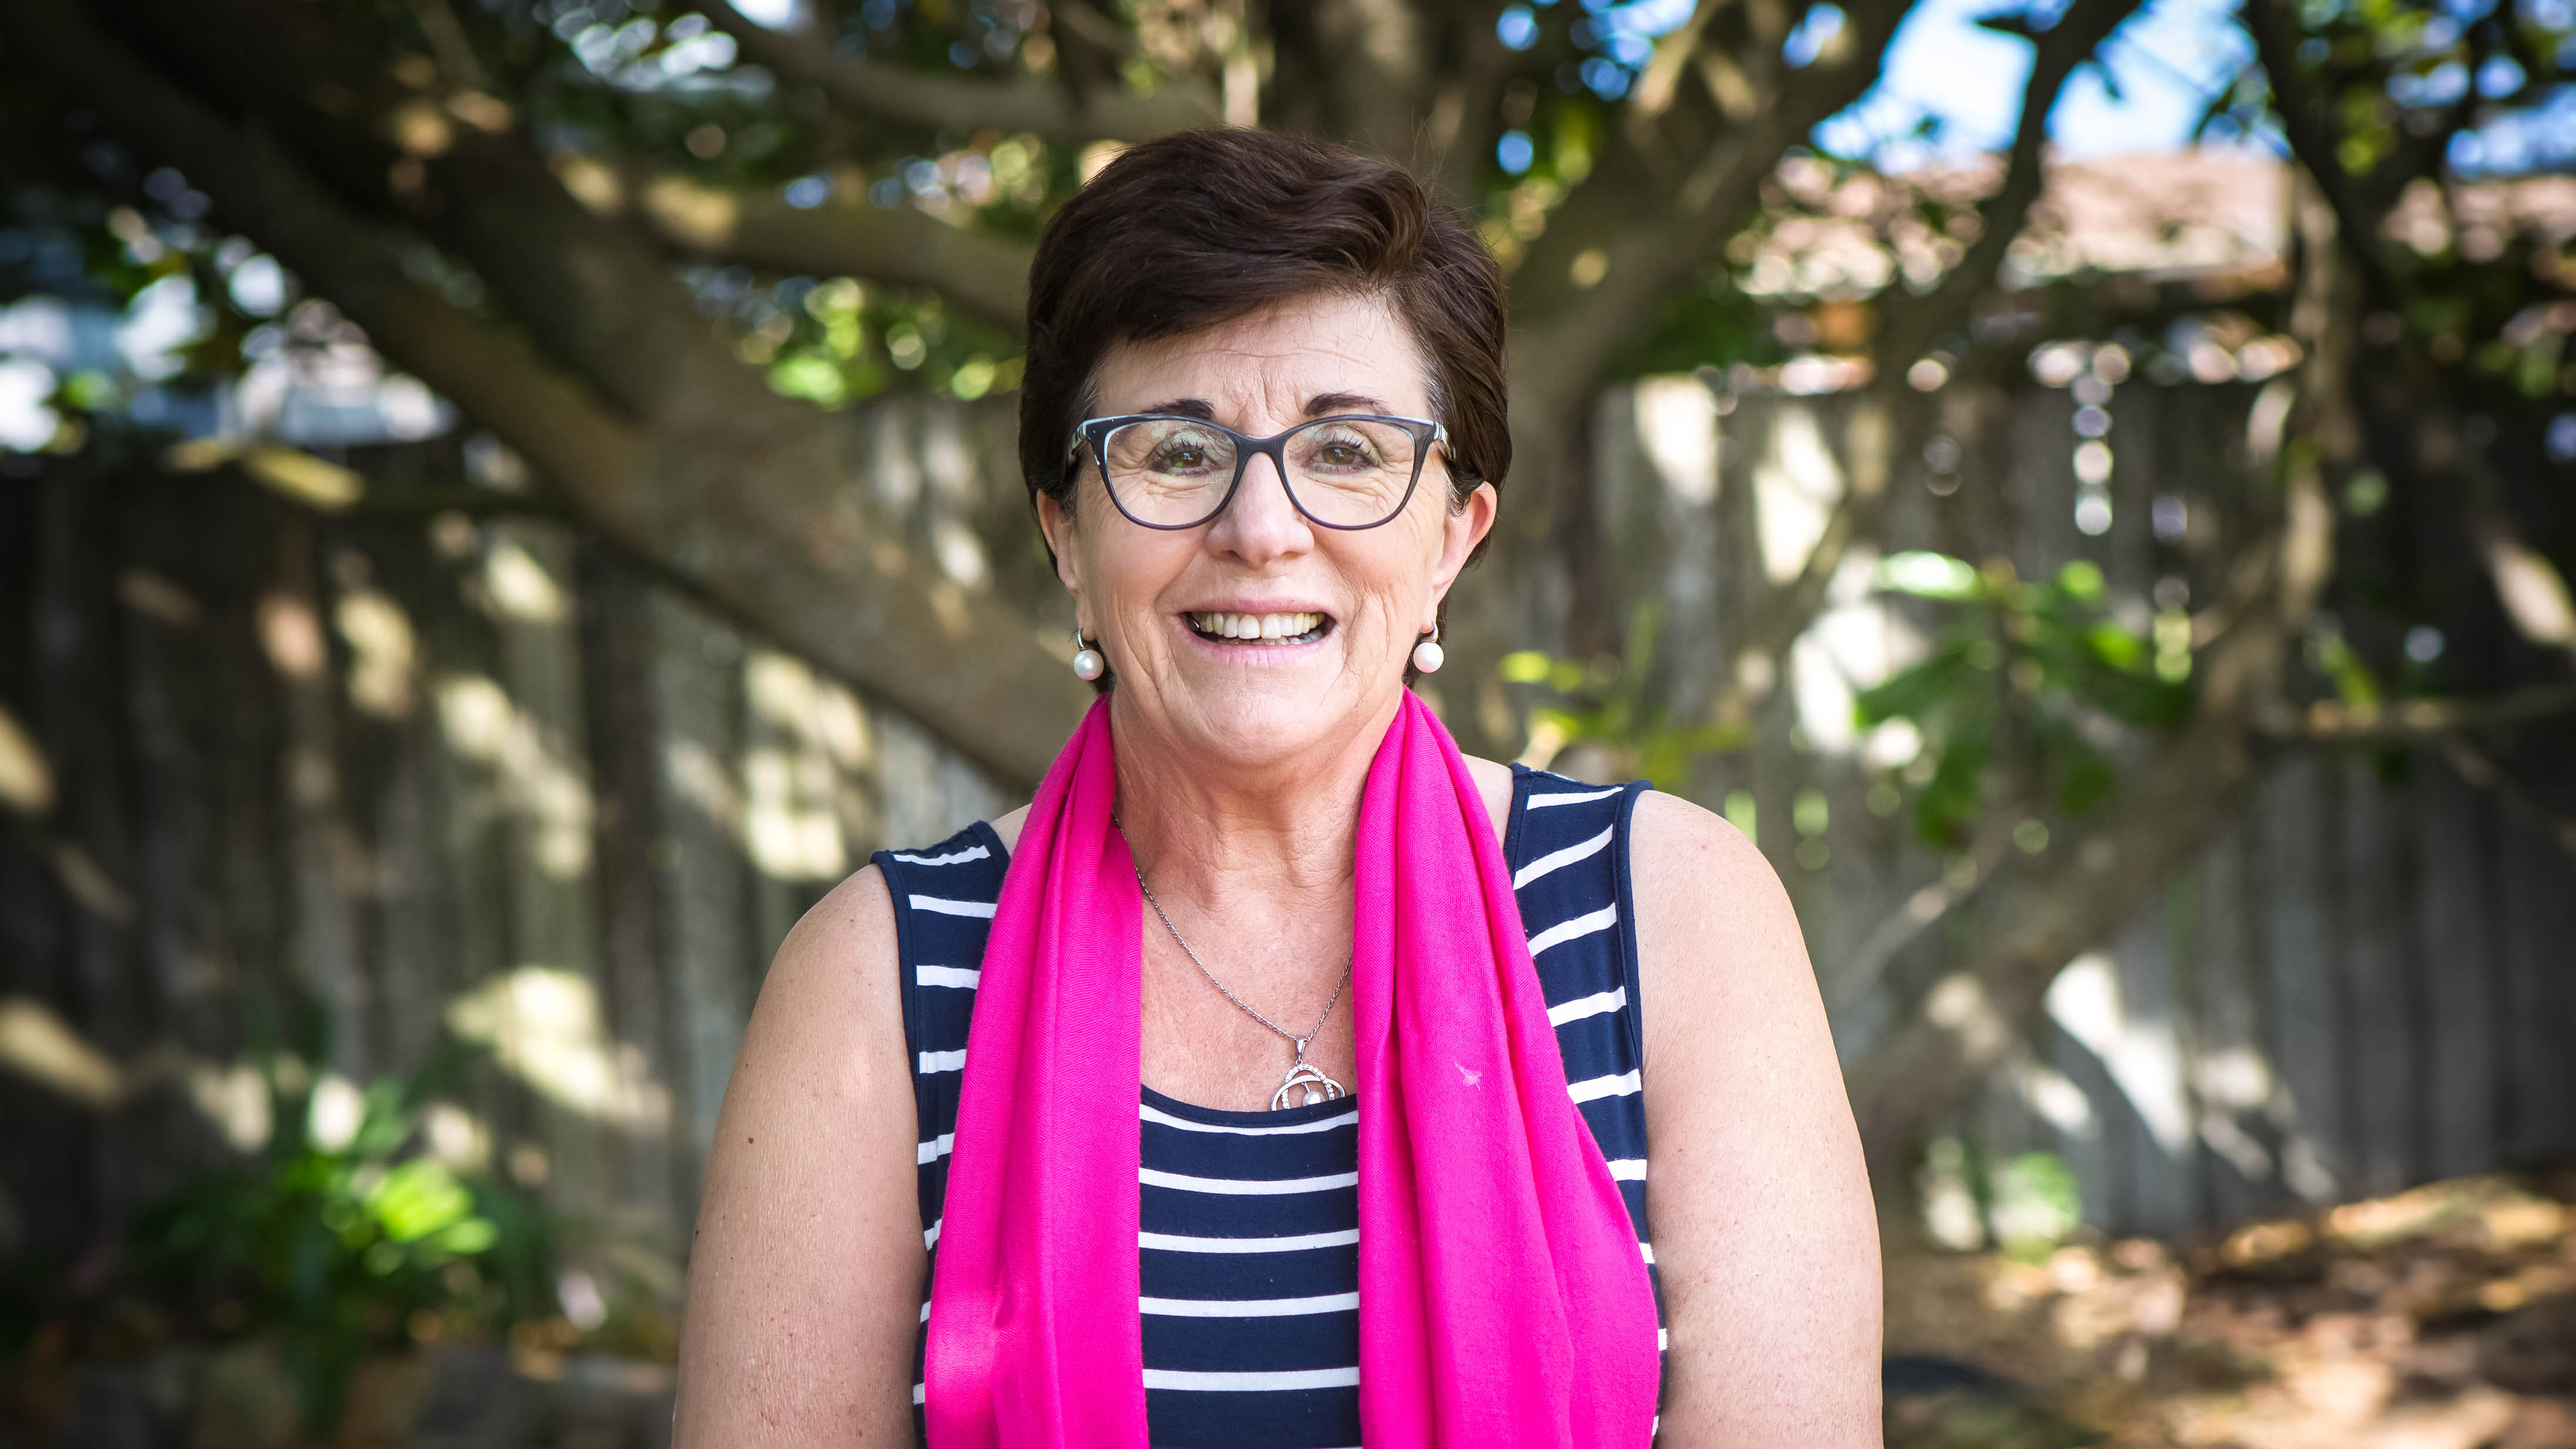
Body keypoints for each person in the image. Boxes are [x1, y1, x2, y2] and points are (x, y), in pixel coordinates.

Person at [675, 129, 1880, 1448]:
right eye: (1173, 452)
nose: (1260, 531)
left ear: (1450, 539)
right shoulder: (875, 977)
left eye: (1348, 451)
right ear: (1064, 532)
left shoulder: (1671, 914)